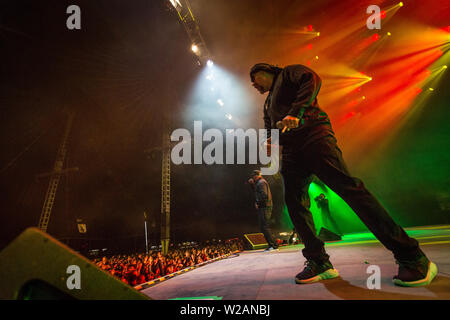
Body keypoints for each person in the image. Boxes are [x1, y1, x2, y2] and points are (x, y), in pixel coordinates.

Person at [250, 63, 437, 286]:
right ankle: (319, 262)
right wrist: (269, 141)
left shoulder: (289, 73)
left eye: (255, 78)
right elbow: (270, 127)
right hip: (292, 151)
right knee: (294, 203)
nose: (253, 84)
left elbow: (312, 79)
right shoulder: (268, 102)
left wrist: (295, 113)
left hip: (314, 136)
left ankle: (412, 257)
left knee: (350, 191)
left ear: (266, 71)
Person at [248, 169, 279, 251]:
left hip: (265, 206)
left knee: (265, 226)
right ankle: (272, 245)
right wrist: (252, 185)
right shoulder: (259, 183)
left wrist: (258, 203)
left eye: (254, 176)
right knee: (263, 227)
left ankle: (273, 245)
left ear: (257, 175)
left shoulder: (261, 183)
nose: (253, 177)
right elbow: (257, 192)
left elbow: (264, 195)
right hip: (264, 206)